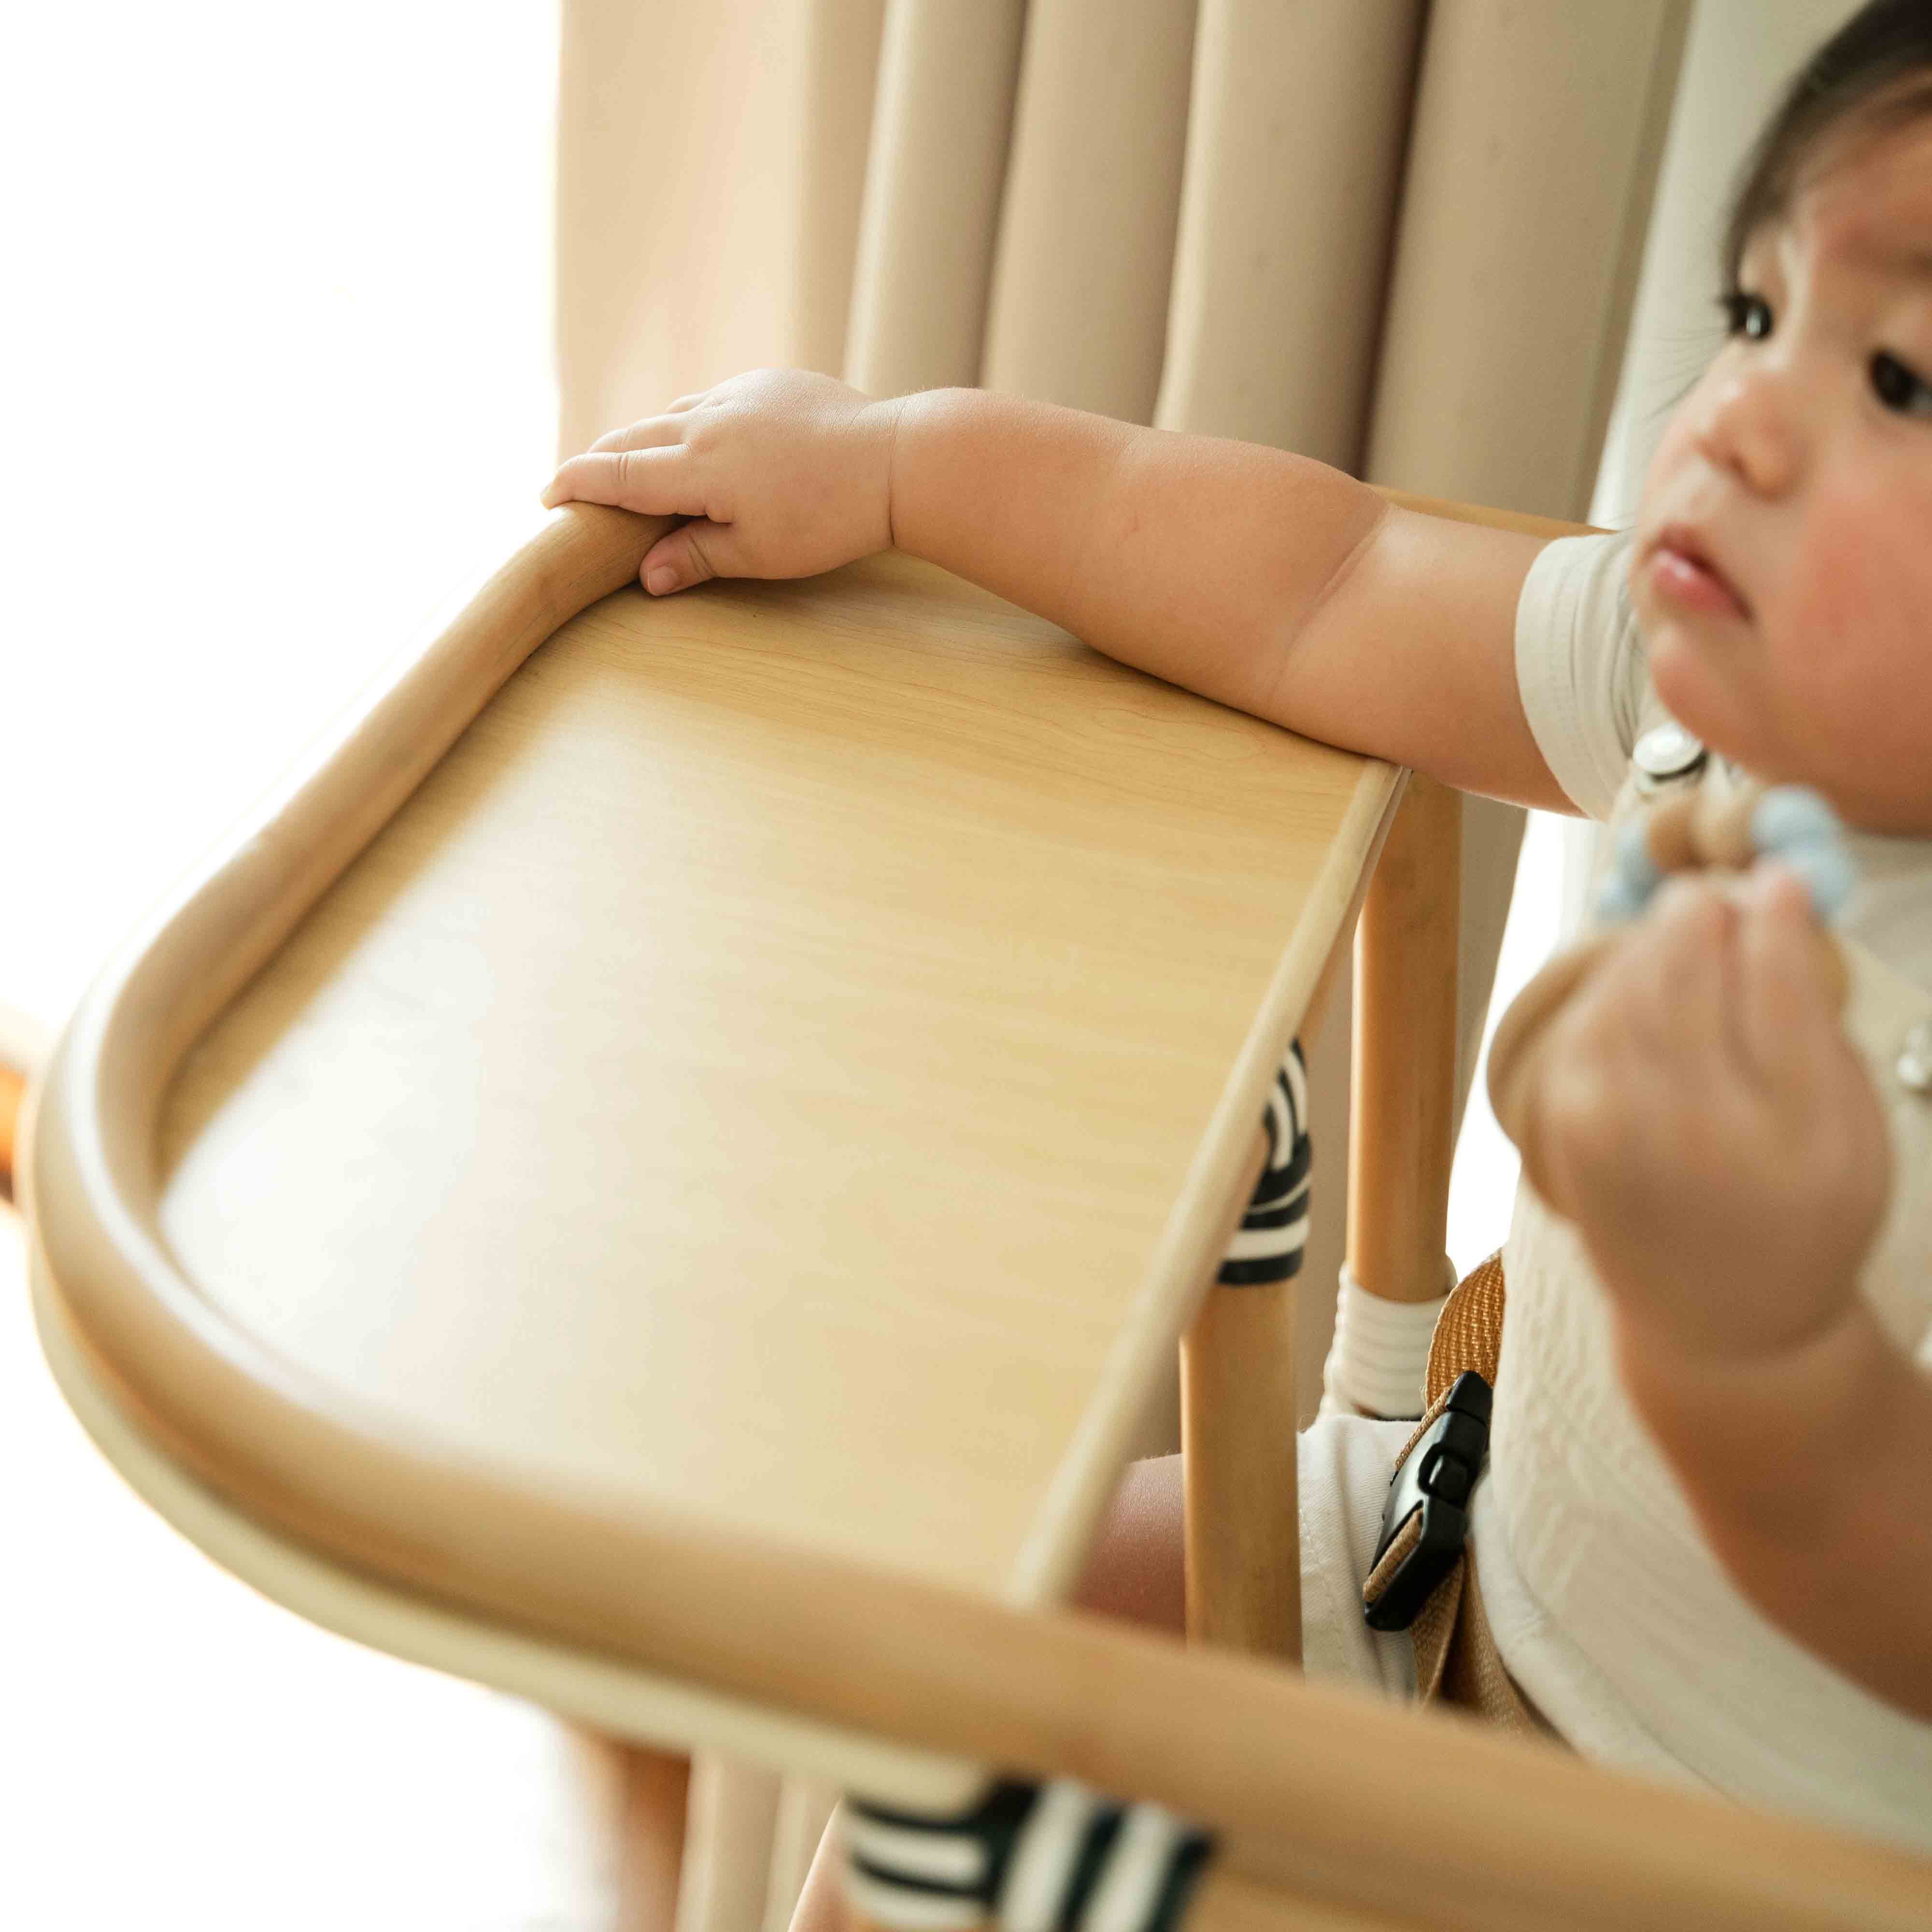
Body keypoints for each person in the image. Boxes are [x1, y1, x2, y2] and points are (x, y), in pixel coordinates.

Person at [543, 0, 1932, 1910]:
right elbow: (1328, 580)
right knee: (958, 1711)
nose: (1737, 420)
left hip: (1709, 1874)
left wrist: (1765, 1362)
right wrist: (897, 467)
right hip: (1440, 1563)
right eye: (1760, 312)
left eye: (1903, 382)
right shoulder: (1697, 690)